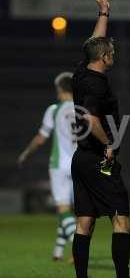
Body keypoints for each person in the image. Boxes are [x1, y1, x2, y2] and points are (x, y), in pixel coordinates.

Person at [71, 0, 130, 278]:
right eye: (112, 54)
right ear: (105, 57)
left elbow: (93, 45)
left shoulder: (82, 72)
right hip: (99, 159)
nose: (114, 57)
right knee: (121, 220)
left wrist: (103, 12)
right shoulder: (95, 84)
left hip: (81, 159)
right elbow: (90, 116)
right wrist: (109, 144)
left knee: (85, 222)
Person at [17, 72, 77, 261]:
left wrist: (26, 153)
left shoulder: (54, 109)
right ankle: (58, 251)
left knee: (63, 209)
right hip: (79, 166)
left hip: (59, 165)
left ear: (60, 89)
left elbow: (41, 138)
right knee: (69, 210)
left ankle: (79, 247)